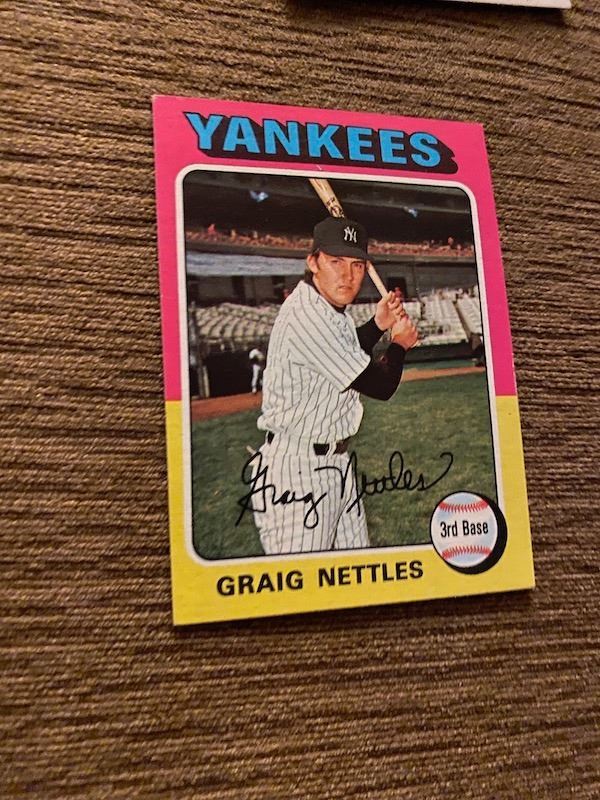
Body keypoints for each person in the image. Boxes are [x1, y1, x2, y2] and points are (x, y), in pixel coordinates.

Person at [249, 216, 418, 555]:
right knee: (304, 582)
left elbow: (344, 349)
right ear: (313, 262)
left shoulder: (326, 307)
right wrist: (399, 344)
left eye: (357, 265)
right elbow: (380, 385)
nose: (347, 275)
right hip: (297, 471)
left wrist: (378, 324)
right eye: (336, 261)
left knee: (358, 574)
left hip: (334, 463)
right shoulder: (307, 315)